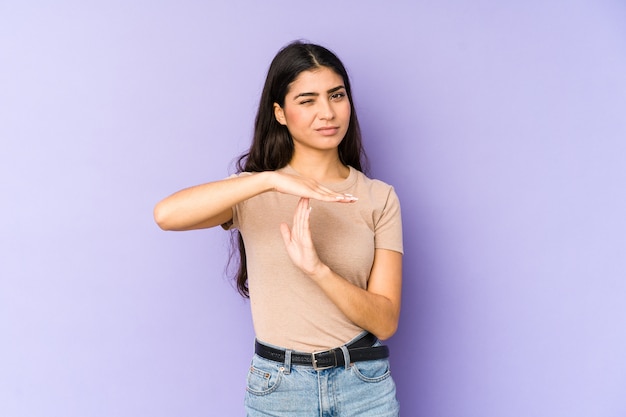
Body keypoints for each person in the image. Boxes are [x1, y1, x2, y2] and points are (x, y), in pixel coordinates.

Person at [154, 40, 403, 417]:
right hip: (280, 390)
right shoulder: (253, 193)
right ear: (280, 113)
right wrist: (269, 181)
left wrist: (317, 270)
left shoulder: (378, 198)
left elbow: (385, 321)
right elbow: (166, 215)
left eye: (336, 95)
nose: (327, 112)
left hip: (364, 387)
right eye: (307, 100)